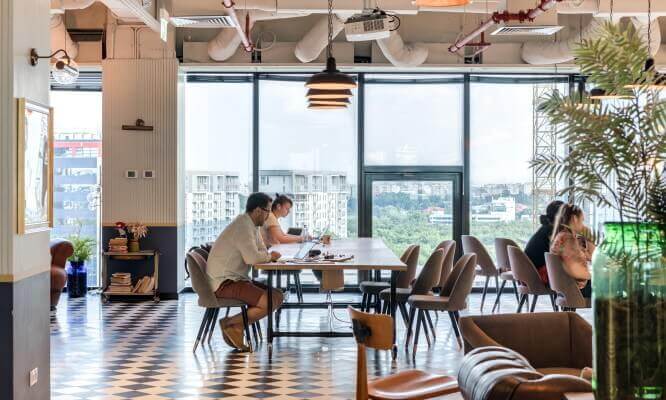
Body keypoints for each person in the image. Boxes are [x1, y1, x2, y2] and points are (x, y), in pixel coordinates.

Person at [206, 192, 284, 351]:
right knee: (269, 301)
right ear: (257, 211)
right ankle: (230, 323)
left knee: (277, 296)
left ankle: (236, 325)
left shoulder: (252, 226)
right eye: (267, 211)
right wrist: (269, 256)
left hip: (236, 278)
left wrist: (267, 255)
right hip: (225, 282)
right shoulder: (243, 226)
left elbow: (261, 250)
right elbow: (252, 258)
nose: (269, 215)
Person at [549, 203, 595, 298]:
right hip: (577, 290)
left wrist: (588, 236)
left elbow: (592, 257)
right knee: (616, 287)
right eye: (582, 221)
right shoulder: (568, 240)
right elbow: (575, 271)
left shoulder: (562, 236)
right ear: (574, 219)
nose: (583, 225)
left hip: (567, 287)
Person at [524, 200, 564, 285]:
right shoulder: (552, 232)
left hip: (527, 273)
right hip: (538, 275)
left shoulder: (546, 228)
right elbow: (560, 256)